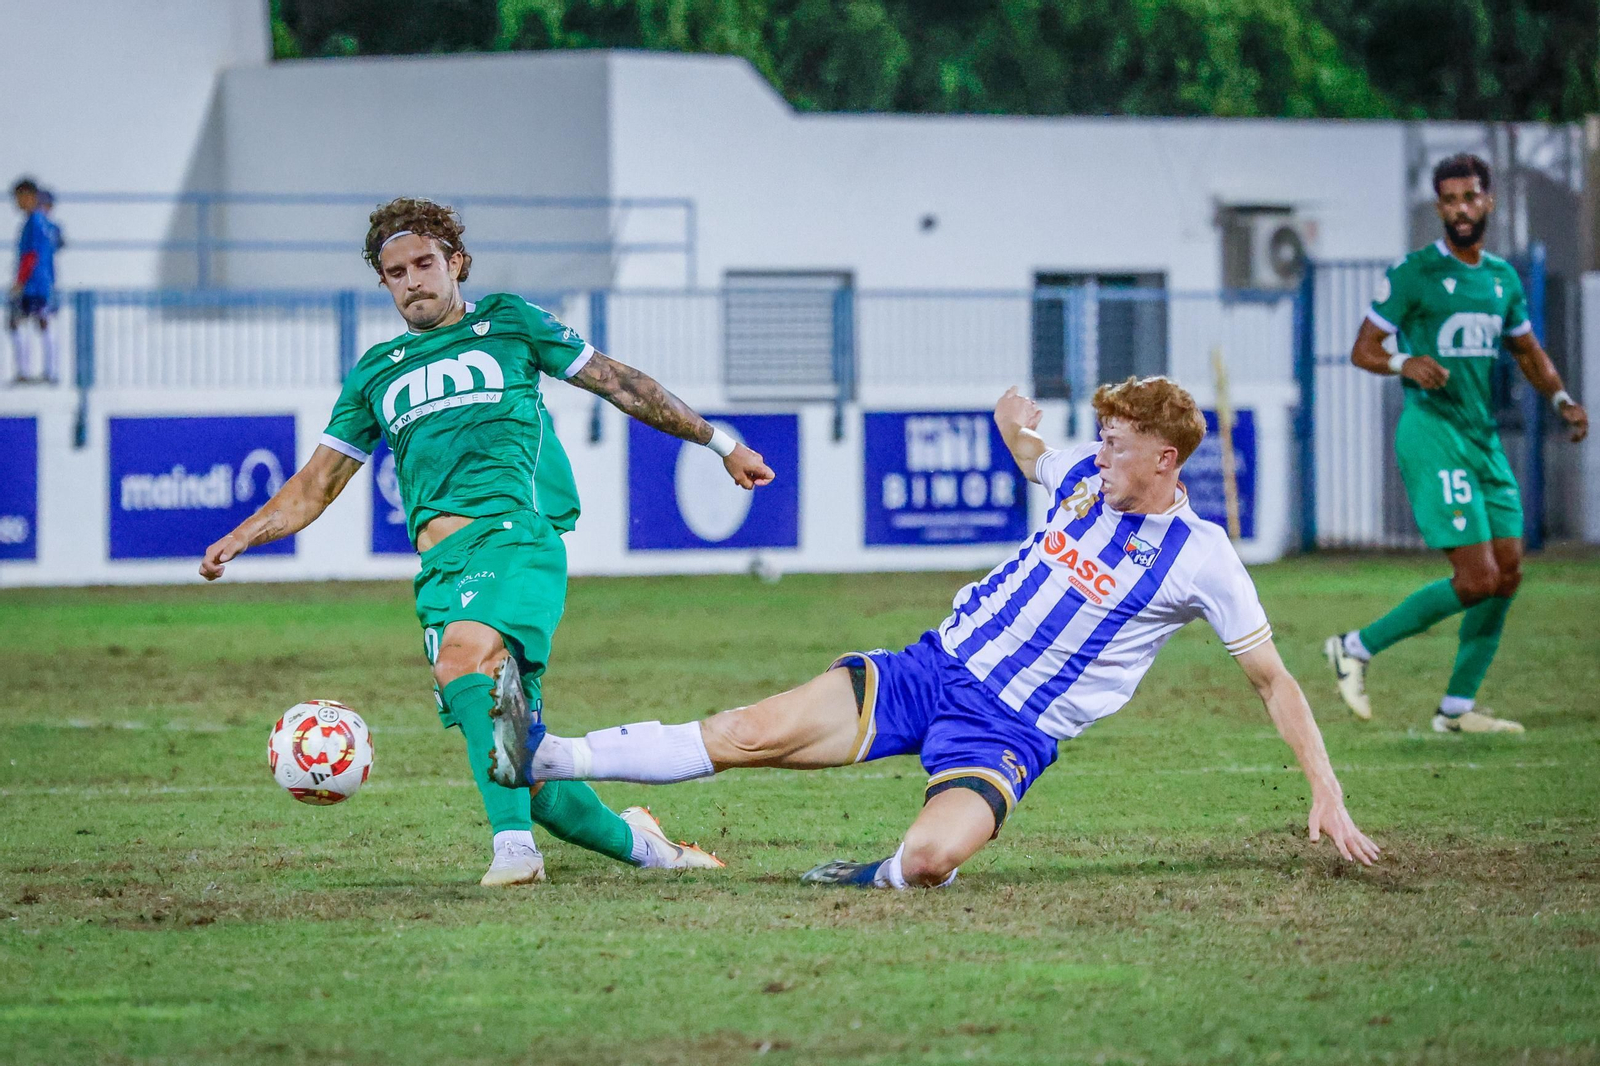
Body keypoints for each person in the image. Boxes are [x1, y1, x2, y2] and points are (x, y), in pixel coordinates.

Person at [490, 377, 1380, 888]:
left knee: (926, 866)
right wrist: (1015, 431)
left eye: (1116, 445)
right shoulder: (1081, 476)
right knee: (745, 733)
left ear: (1165, 460)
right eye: (1099, 440)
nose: (1098, 454)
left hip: (1010, 731)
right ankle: (546, 754)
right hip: (932, 667)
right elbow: (1038, 456)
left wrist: (1326, 791)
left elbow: (1273, 679)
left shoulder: (1203, 558)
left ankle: (870, 871)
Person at [200, 197, 773, 885]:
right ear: (384, 284)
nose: (413, 280)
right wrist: (241, 535)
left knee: (465, 661)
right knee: (525, 767)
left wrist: (722, 443)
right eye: (396, 272)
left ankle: (515, 853)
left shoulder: (509, 322)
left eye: (425, 264)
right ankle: (654, 850)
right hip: (442, 569)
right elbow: (316, 485)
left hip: (515, 540)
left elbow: (621, 383)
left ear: (456, 264)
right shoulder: (376, 372)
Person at [1325, 153, 1589, 734]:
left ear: (1487, 201)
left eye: (1469, 198)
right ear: (1439, 207)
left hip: (1482, 439)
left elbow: (1527, 351)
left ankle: (1456, 710)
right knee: (1476, 579)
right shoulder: (1414, 274)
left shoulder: (1501, 278)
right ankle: (1354, 647)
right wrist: (1405, 361)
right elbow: (1362, 349)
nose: (1460, 210)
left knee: (1510, 572)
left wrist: (1561, 400)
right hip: (1433, 434)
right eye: (1448, 201)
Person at [8, 177, 59, 385]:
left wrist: (20, 281)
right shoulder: (42, 221)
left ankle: (27, 372)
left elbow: (31, 255)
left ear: (28, 196)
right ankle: (49, 371)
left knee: (17, 322)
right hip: (42, 282)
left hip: (34, 284)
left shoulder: (34, 221)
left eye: (19, 197)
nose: (17, 203)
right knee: (41, 321)